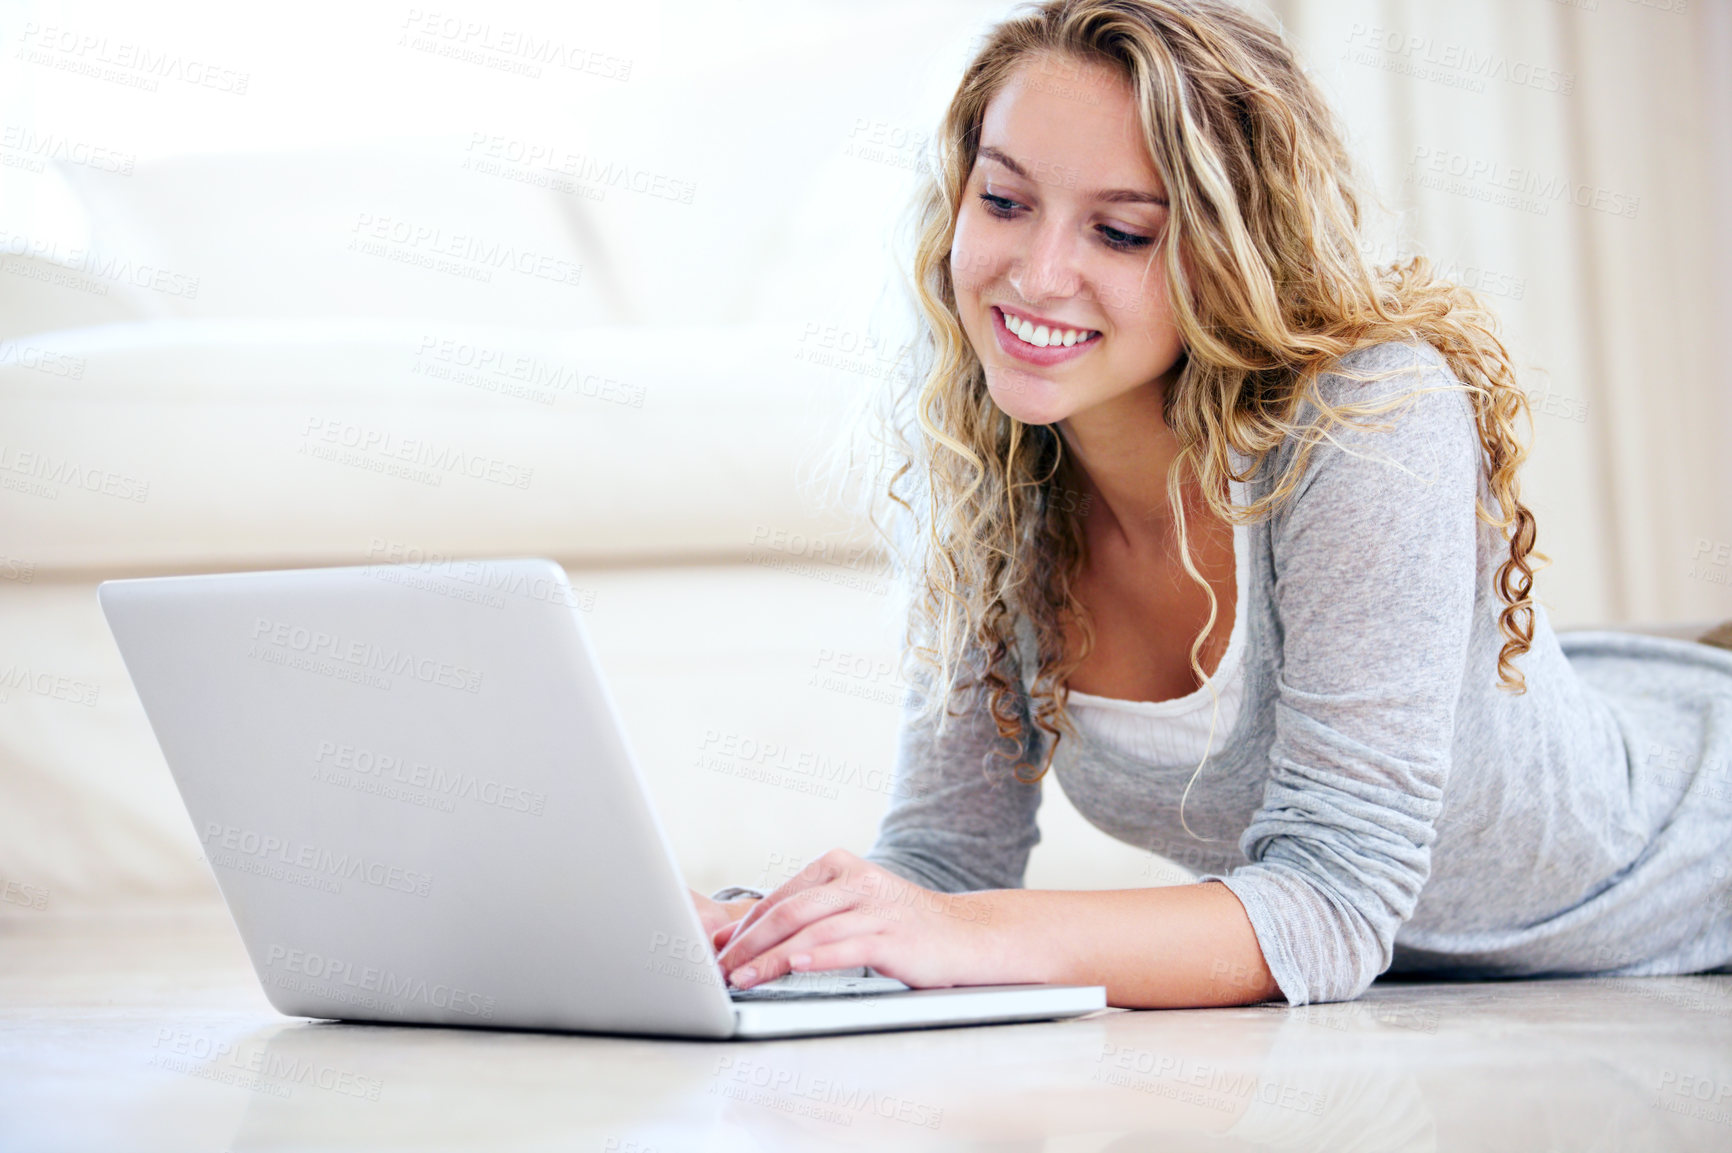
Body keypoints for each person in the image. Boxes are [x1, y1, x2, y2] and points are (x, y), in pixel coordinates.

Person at [691, 0, 1732, 1008]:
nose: (1036, 274)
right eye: (1002, 203)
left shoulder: (1368, 415)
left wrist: (965, 934)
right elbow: (943, 865)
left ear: (1235, 254)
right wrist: (755, 934)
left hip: (1697, 850)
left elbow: (1335, 900)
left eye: (1123, 232)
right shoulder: (991, 465)